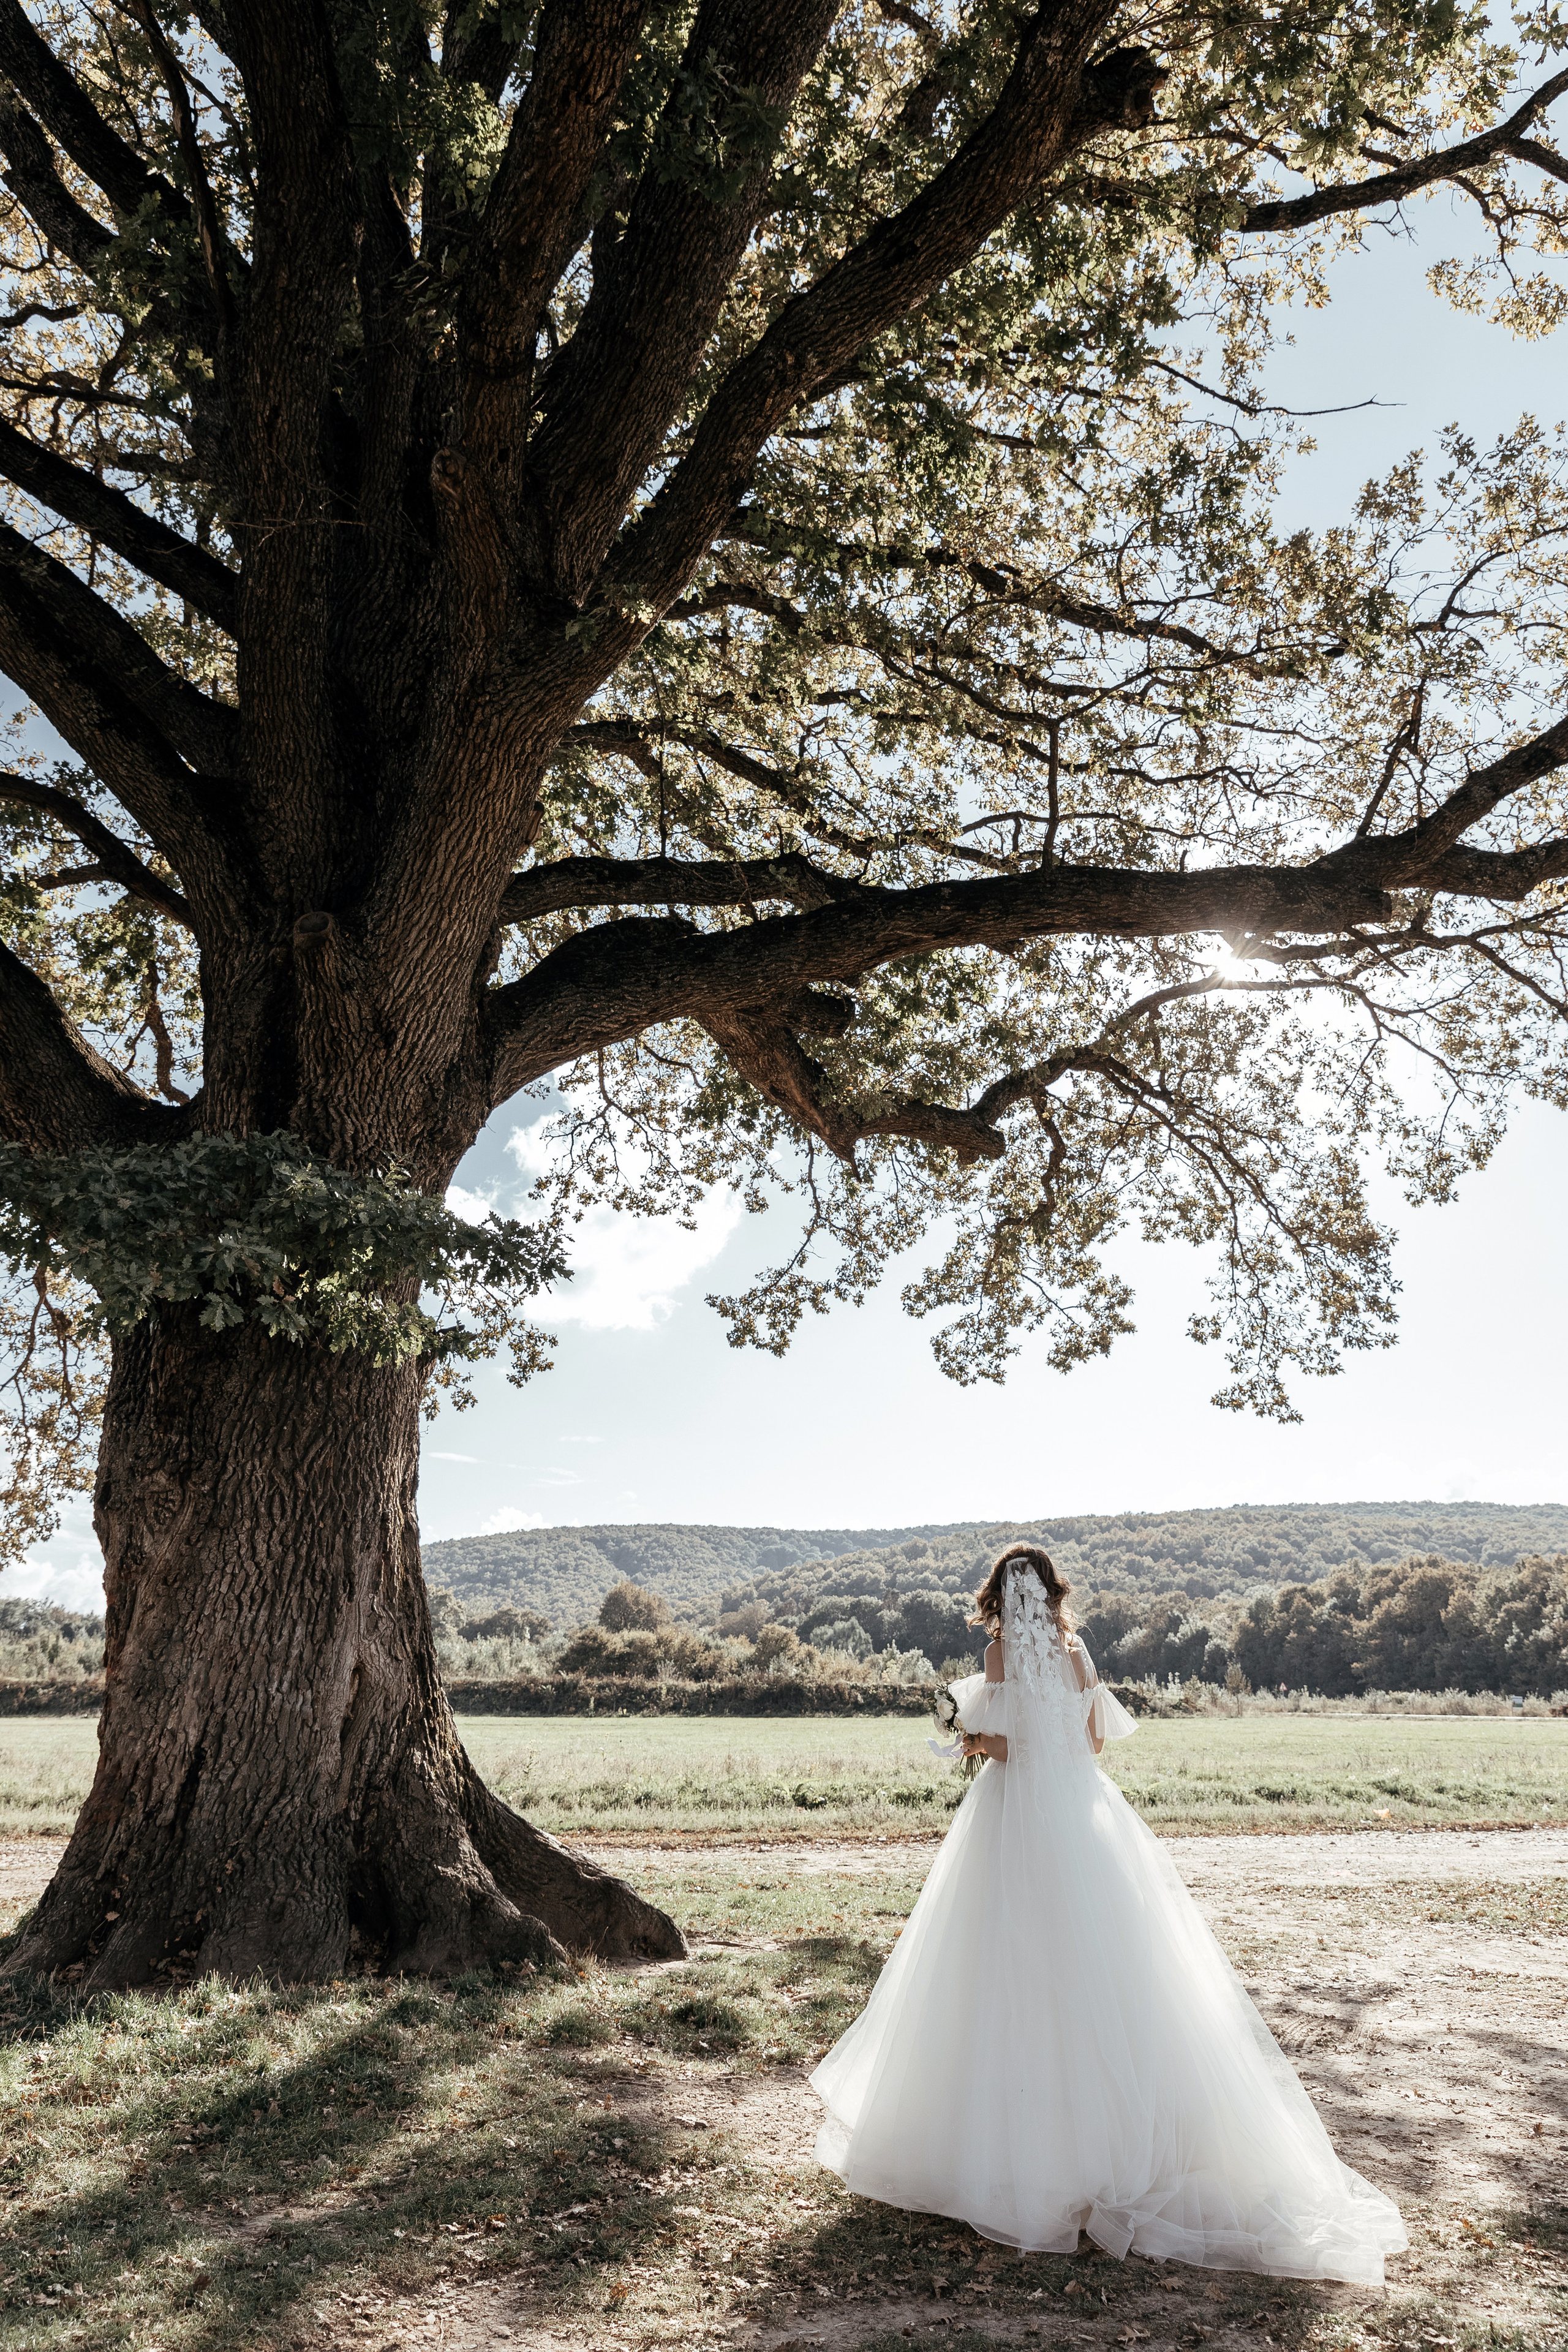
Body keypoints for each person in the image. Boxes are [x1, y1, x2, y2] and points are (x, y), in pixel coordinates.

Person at [810, 1542, 1406, 2282]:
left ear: (1000, 1596)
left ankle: (1010, 2150)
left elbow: (1007, 1747)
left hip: (1014, 1817)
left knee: (1003, 1958)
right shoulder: (1080, 1655)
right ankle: (1125, 2142)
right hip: (1084, 1813)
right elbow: (1089, 1743)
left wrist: (966, 1738)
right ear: (1053, 1596)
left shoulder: (997, 1659)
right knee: (1112, 1960)